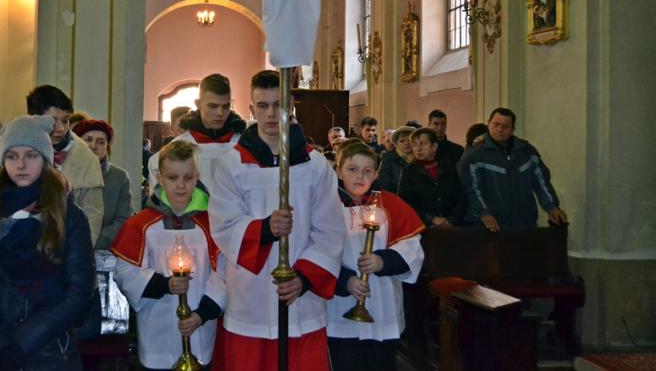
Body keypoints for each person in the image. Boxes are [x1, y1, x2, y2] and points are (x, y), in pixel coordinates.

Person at [209, 70, 345, 371]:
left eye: (278, 104)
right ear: (251, 109)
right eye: (263, 105)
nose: (271, 114)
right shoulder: (233, 164)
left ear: (291, 106)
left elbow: (331, 231)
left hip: (300, 299)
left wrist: (304, 278)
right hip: (251, 295)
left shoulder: (315, 165)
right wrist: (265, 230)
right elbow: (223, 225)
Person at [0, 115, 96, 370]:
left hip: (50, 351)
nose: (21, 164)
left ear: (45, 159)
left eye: (31, 155)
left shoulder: (69, 217)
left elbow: (79, 292)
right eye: (12, 156)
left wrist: (21, 344)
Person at [111, 140, 225, 370]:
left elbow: (224, 273)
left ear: (197, 177)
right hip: (157, 331)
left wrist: (202, 314)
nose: (181, 186)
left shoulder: (212, 224)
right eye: (172, 178)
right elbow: (126, 273)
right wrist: (165, 285)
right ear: (159, 178)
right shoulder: (141, 225)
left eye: (188, 177)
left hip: (200, 328)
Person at [327, 140, 425, 371]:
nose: (359, 176)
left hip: (382, 303)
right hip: (340, 305)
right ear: (339, 171)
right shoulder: (326, 206)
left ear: (376, 174)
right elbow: (316, 252)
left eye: (367, 170)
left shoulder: (390, 205)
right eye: (352, 169)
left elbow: (412, 248)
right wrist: (344, 280)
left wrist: (383, 261)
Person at [459, 108, 568, 231]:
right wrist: (483, 213)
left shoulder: (526, 151)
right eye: (496, 124)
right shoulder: (476, 155)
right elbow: (473, 189)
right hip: (491, 226)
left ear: (512, 129)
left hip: (525, 223)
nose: (499, 129)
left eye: (505, 126)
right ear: (489, 123)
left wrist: (552, 207)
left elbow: (541, 182)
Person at [26, 85, 104, 247]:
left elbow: (93, 215)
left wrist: (81, 251)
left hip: (68, 247)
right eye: (53, 121)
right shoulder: (14, 153)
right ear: (34, 118)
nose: (60, 128)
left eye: (65, 120)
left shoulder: (86, 158)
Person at [148, 74, 246, 196]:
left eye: (226, 106)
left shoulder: (244, 145)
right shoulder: (179, 146)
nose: (220, 113)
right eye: (213, 106)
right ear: (198, 104)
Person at [73, 119, 133, 250]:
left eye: (100, 142)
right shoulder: (64, 174)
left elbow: (123, 218)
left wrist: (96, 240)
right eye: (88, 139)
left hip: (105, 249)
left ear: (107, 148)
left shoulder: (119, 177)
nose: (93, 146)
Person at [397, 128, 466, 227]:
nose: (418, 148)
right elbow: (405, 202)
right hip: (422, 226)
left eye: (423, 144)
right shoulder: (409, 171)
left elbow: (460, 198)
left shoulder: (448, 168)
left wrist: (452, 219)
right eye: (415, 144)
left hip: (450, 225)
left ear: (434, 146)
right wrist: (431, 219)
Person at [377, 125, 415, 193]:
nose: (406, 143)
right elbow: (385, 186)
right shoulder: (388, 159)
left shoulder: (421, 158)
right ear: (396, 144)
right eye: (402, 141)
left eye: (409, 140)